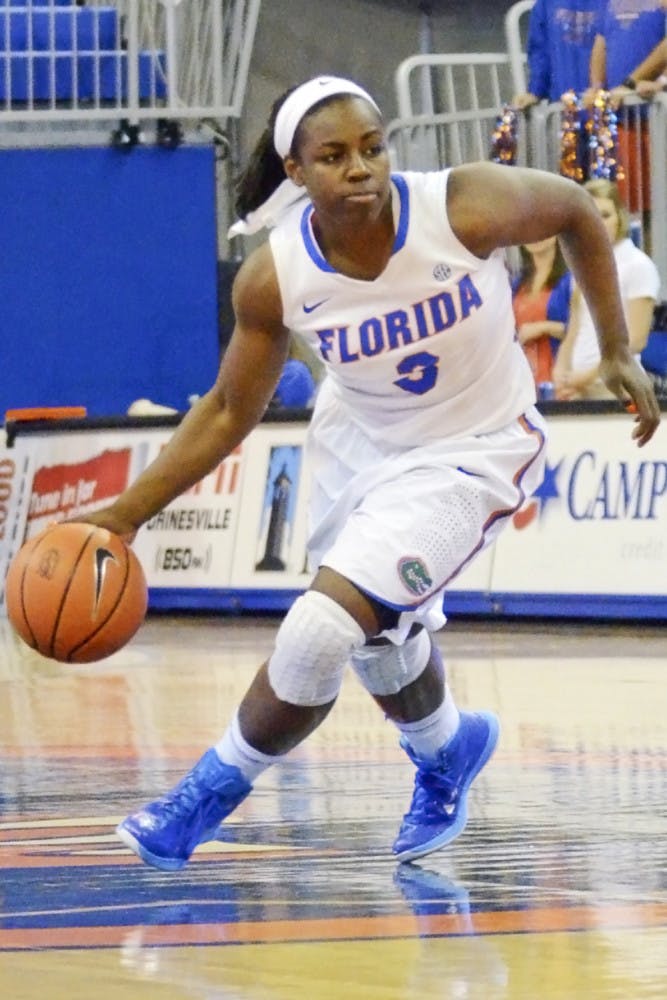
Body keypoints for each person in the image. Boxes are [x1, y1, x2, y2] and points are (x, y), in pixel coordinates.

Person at [78, 76, 659, 873]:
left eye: (373, 148)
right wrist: (122, 515)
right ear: (295, 171)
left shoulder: (460, 208)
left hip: (477, 445)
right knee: (377, 636)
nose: (360, 168)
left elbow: (573, 210)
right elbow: (227, 410)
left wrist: (617, 348)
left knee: (322, 626)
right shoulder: (275, 277)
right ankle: (448, 748)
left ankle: (202, 798)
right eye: (334, 156)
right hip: (360, 440)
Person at [553, 178, 661, 400]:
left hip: (617, 389)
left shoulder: (637, 265)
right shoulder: (581, 266)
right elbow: (573, 329)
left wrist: (587, 377)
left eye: (605, 215)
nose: (599, 223)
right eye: (591, 216)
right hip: (577, 390)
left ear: (619, 217)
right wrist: (561, 372)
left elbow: (636, 340)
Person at [587, 1, 666, 212]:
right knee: (631, 206)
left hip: (657, 118)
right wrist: (596, 87)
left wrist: (656, 83)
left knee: (659, 204)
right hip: (625, 120)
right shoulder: (609, 3)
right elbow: (601, 42)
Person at [512, 0, 605, 109]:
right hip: (562, 102)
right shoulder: (546, 4)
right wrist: (535, 91)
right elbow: (540, 51)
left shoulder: (613, 3)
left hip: (607, 103)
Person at [511, 236, 569, 393]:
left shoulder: (570, 281)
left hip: (560, 381)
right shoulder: (517, 284)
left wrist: (544, 328)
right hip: (524, 381)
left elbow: (583, 332)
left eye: (542, 228)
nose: (535, 235)